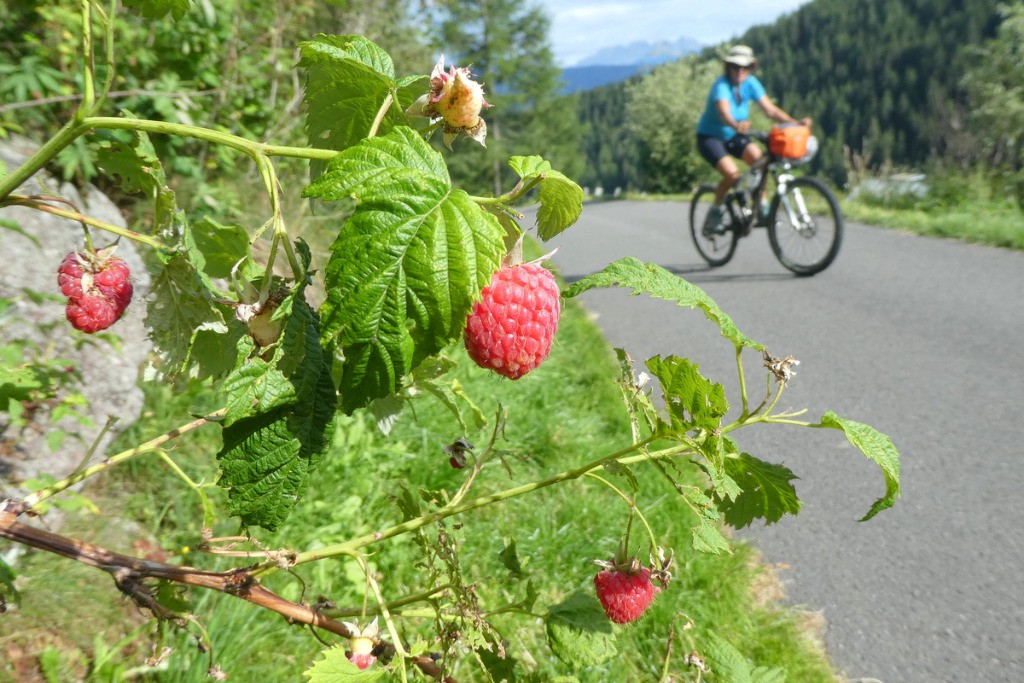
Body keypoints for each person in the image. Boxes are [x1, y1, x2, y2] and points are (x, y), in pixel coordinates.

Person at [695, 45, 812, 231]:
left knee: (761, 161)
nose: (740, 71)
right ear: (728, 67)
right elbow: (723, 112)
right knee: (732, 174)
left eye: (745, 67)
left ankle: (761, 205)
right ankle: (715, 211)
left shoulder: (751, 83)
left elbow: (770, 110)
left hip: (736, 135)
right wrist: (735, 124)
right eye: (735, 67)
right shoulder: (721, 85)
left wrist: (794, 123)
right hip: (710, 137)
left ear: (751, 68)